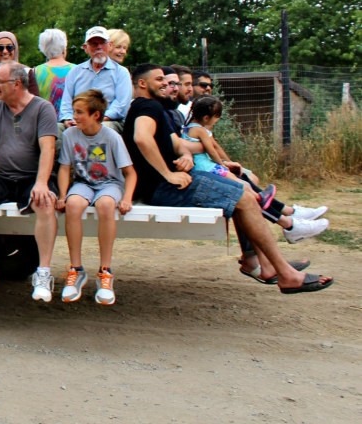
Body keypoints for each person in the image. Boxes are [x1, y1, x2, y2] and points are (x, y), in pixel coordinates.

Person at [123, 63, 332, 293]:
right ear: (142, 83)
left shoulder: (155, 108)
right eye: (159, 80)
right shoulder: (147, 106)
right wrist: (168, 174)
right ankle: (286, 273)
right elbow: (142, 138)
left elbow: (176, 144)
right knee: (245, 199)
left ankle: (267, 265)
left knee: (245, 192)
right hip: (163, 187)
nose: (165, 83)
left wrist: (191, 154)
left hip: (173, 181)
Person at [0, 62, 59, 301]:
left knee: (46, 202)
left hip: (32, 177)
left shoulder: (43, 108)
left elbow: (48, 148)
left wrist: (42, 182)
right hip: (2, 177)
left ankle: (43, 273)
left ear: (16, 84)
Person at [183, 96, 329, 244]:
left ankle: (289, 213)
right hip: (207, 170)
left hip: (206, 168)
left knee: (246, 180)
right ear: (206, 117)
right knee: (246, 191)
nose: (217, 120)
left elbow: (213, 147)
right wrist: (222, 164)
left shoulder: (193, 128)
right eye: (217, 117)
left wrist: (228, 162)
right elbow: (211, 150)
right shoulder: (200, 130)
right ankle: (288, 223)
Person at [56, 89, 136, 305]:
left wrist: (127, 198)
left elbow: (130, 173)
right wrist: (63, 195)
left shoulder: (111, 137)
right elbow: (64, 168)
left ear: (96, 115)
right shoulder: (70, 135)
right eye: (74, 111)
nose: (75, 116)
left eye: (80, 112)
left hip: (109, 184)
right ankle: (76, 269)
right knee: (73, 204)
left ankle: (105, 271)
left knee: (106, 205)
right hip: (84, 183)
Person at [58, 26, 132, 132]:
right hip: (78, 120)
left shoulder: (121, 72)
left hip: (107, 121)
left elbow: (121, 106)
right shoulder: (75, 72)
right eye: (94, 44)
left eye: (102, 43)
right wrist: (68, 119)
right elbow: (66, 102)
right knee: (56, 129)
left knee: (104, 128)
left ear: (110, 45)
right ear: (85, 48)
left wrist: (95, 120)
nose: (99, 47)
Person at [35, 28, 72, 114]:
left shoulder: (35, 72)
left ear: (43, 48)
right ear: (64, 48)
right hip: (72, 120)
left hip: (44, 120)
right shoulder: (77, 70)